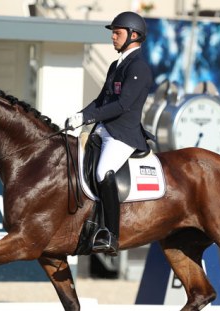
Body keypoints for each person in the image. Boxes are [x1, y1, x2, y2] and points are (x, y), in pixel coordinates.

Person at [65, 11, 153, 256]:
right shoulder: (117, 65)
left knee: (104, 171)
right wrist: (79, 116)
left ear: (133, 36)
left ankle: (111, 235)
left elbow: (122, 105)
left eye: (117, 33)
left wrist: (88, 117)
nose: (113, 37)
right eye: (113, 33)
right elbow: (102, 99)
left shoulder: (139, 67)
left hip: (123, 133)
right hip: (104, 129)